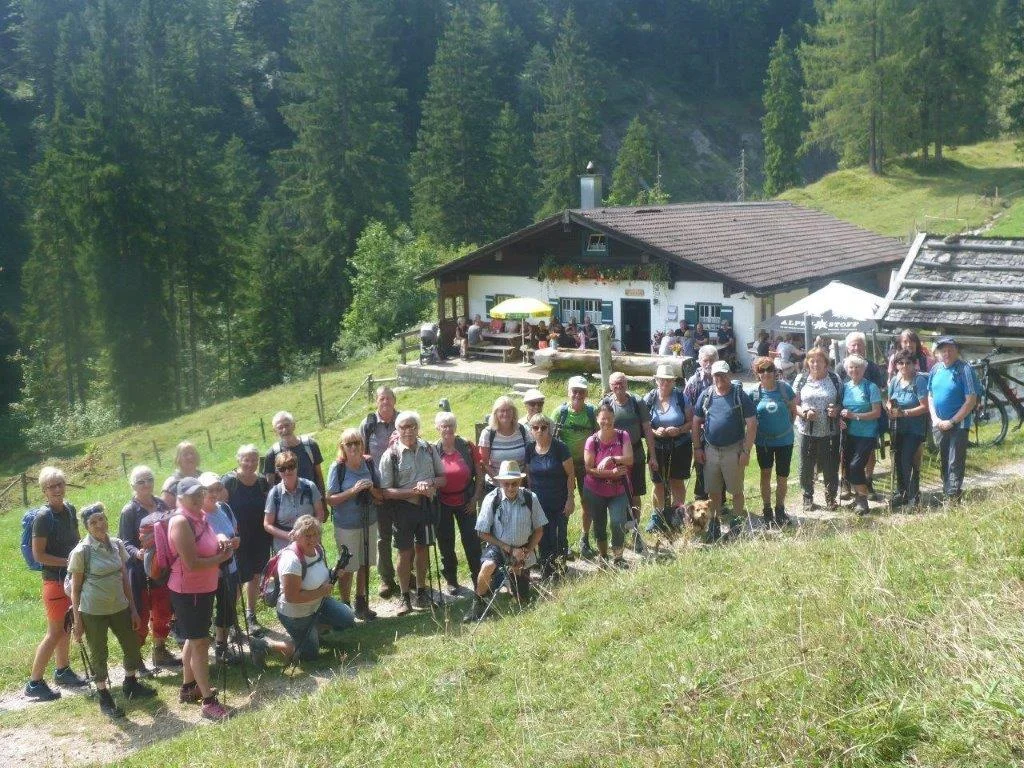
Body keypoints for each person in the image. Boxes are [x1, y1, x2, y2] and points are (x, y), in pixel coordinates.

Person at [68, 503, 157, 717]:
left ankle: (130, 683)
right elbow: (75, 589)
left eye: (102, 519)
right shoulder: (81, 551)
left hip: (120, 606)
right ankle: (104, 696)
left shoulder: (117, 545)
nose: (99, 524)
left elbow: (125, 579)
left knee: (132, 645)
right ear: (87, 527)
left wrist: (134, 609)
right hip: (93, 611)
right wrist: (77, 621)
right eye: (93, 522)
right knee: (99, 654)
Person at [167, 477, 234, 721]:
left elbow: (209, 539)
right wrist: (221, 558)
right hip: (189, 591)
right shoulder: (181, 521)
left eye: (200, 493)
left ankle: (188, 687)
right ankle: (208, 701)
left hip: (203, 588)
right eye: (192, 494)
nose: (197, 497)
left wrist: (220, 540)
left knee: (194, 639)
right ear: (180, 497)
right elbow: (192, 563)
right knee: (200, 643)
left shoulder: (199, 516)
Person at [25, 467, 87, 701]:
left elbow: (76, 539)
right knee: (53, 633)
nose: (57, 489)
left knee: (66, 627)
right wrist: (69, 562)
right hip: (53, 581)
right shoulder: (43, 518)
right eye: (52, 486)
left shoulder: (70, 509)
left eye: (60, 484)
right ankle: (34, 683)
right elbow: (39, 555)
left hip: (70, 579)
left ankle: (63, 671)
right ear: (44, 491)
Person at [379, 411, 447, 615]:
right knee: (404, 552)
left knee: (423, 550)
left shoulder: (429, 449)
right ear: (397, 430)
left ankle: (421, 592)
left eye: (412, 426)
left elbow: (442, 478)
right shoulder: (390, 455)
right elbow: (385, 491)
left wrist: (430, 483)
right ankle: (404, 597)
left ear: (418, 428)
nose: (408, 430)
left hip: (426, 507)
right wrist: (414, 491)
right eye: (403, 427)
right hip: (403, 509)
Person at [463, 461, 547, 623]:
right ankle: (478, 603)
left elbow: (539, 531)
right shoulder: (491, 499)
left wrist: (528, 550)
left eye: (514, 483)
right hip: (498, 546)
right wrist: (507, 548)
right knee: (487, 567)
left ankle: (509, 583)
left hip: (523, 549)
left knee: (521, 601)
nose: (510, 487)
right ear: (500, 482)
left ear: (520, 481)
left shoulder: (531, 498)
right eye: (506, 484)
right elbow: (482, 532)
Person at [118, 465, 179, 670]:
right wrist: (138, 553)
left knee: (163, 611)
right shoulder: (129, 511)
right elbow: (124, 542)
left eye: (149, 479)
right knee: (141, 615)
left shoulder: (162, 504)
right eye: (141, 481)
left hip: (162, 568)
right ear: (133, 485)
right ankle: (136, 660)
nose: (146, 484)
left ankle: (159, 652)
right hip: (138, 571)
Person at [692, 361, 757, 541]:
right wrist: (697, 448)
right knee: (713, 492)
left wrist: (746, 451)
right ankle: (714, 526)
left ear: (729, 375)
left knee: (736, 491)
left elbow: (752, 424)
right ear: (711, 376)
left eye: (723, 374)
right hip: (711, 450)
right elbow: (696, 422)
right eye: (716, 375)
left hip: (733, 451)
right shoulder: (706, 395)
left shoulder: (739, 395)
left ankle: (736, 527)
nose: (719, 378)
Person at [276, 515, 353, 661]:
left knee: (347, 618)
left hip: (317, 604)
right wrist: (321, 592)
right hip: (296, 614)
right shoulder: (292, 561)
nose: (312, 539)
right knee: (309, 655)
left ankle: (312, 633)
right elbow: (291, 597)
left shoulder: (317, 549)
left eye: (315, 535)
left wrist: (333, 572)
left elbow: (318, 575)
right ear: (296, 535)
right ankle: (264, 645)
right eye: (307, 535)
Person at [325, 429, 382, 621]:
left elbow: (380, 496)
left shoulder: (369, 462)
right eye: (349, 444)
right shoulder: (338, 467)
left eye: (357, 443)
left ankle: (361, 602)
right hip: (346, 525)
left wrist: (371, 489)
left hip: (369, 522)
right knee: (347, 567)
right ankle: (345, 606)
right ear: (343, 447)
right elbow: (330, 499)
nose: (354, 447)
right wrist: (353, 490)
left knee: (365, 563)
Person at [222, 445, 271, 632]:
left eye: (254, 459)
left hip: (260, 536)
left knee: (256, 575)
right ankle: (232, 620)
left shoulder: (261, 482)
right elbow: (220, 509)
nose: (250, 463)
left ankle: (251, 616)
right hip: (237, 539)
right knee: (237, 579)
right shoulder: (229, 482)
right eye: (246, 459)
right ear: (238, 460)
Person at [433, 412, 483, 593]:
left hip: (466, 501)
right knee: (446, 543)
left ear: (455, 427)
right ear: (437, 428)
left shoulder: (468, 446)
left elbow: (479, 474)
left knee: (472, 542)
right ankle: (451, 580)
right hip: (442, 504)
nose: (447, 429)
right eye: (443, 425)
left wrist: (475, 498)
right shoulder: (433, 450)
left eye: (450, 425)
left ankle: (478, 577)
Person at [928, 336, 980, 505]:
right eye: (943, 350)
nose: (947, 353)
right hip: (939, 424)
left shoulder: (964, 369)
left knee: (955, 460)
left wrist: (953, 421)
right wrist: (935, 419)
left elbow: (971, 400)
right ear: (938, 353)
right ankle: (947, 491)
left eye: (950, 349)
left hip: (959, 424)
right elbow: (930, 395)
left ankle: (953, 496)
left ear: (957, 350)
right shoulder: (935, 369)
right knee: (944, 460)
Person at [552, 376, 599, 559]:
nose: (578, 395)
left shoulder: (591, 412)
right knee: (564, 504)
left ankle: (585, 539)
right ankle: (562, 544)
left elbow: (598, 436)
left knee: (588, 503)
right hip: (565, 467)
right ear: (568, 392)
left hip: (586, 466)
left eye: (581, 391)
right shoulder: (560, 413)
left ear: (586, 394)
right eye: (574, 391)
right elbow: (553, 440)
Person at [197, 472, 242, 665]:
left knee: (227, 608)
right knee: (205, 611)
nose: (214, 493)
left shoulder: (225, 508)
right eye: (209, 490)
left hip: (229, 568)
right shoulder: (198, 515)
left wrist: (235, 542)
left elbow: (235, 532)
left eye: (218, 488)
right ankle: (200, 654)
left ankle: (221, 646)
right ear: (201, 491)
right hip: (208, 572)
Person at [360, 386, 400, 599]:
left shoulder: (403, 420)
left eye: (389, 398)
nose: (385, 402)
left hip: (402, 487)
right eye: (381, 398)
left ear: (395, 400)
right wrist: (372, 489)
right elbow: (360, 457)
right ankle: (386, 578)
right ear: (376, 401)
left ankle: (407, 573)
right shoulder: (367, 425)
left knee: (406, 533)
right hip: (378, 490)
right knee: (382, 537)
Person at [836, 332, 886, 500]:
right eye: (853, 345)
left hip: (867, 426)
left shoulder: (872, 369)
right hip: (849, 428)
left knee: (864, 457)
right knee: (846, 457)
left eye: (859, 345)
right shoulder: (840, 369)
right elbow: (839, 399)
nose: (856, 348)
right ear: (847, 347)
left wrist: (855, 414)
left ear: (865, 347)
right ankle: (847, 482)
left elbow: (878, 395)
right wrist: (841, 418)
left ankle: (867, 482)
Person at [583, 403, 634, 567]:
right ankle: (603, 556)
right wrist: (610, 473)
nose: (607, 422)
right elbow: (589, 469)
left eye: (610, 419)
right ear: (597, 419)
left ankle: (618, 557)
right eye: (603, 419)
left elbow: (630, 459)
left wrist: (611, 459)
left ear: (614, 419)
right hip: (595, 490)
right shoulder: (592, 441)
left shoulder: (622, 436)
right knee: (599, 524)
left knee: (617, 521)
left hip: (619, 489)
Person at [793, 348, 843, 512]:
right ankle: (807, 497)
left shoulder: (835, 379)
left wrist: (836, 409)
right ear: (807, 362)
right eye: (812, 360)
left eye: (819, 361)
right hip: (807, 430)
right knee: (806, 466)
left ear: (826, 364)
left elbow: (843, 403)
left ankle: (830, 498)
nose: (815, 364)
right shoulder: (801, 379)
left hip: (830, 431)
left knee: (830, 466)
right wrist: (805, 413)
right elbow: (793, 405)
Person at [524, 414, 574, 578]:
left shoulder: (560, 448)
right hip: (539, 503)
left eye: (543, 427)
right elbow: (528, 475)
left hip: (559, 501)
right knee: (542, 536)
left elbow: (570, 475)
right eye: (535, 428)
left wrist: (570, 499)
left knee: (559, 535)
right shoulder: (529, 449)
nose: (540, 431)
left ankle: (560, 568)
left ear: (549, 429)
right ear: (531, 431)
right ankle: (546, 568)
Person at [644, 364, 692, 532]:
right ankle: (657, 516)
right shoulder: (649, 398)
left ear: (673, 382)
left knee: (676, 482)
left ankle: (676, 516)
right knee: (658, 483)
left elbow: (691, 422)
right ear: (656, 380)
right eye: (661, 380)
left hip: (680, 445)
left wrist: (678, 430)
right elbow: (643, 425)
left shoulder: (681, 397)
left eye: (668, 380)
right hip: (656, 446)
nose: (664, 383)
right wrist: (655, 431)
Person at [601, 372, 658, 512]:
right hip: (614, 455)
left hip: (636, 453)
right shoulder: (606, 404)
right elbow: (601, 431)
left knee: (635, 493)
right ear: (610, 386)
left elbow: (647, 428)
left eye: (622, 383)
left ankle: (635, 528)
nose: (619, 386)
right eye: (615, 384)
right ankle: (620, 522)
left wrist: (653, 455)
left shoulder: (637, 402)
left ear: (627, 384)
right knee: (615, 491)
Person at [751, 357, 796, 526]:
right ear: (757, 374)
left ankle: (780, 510)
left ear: (775, 371)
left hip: (785, 441)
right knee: (765, 475)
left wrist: (783, 429)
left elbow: (793, 412)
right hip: (763, 442)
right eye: (762, 370)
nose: (766, 373)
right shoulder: (753, 393)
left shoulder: (785, 389)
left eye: (770, 369)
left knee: (782, 477)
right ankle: (767, 510)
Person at [839, 354, 883, 515]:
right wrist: (841, 418)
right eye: (851, 367)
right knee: (848, 468)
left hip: (867, 434)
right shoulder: (845, 387)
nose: (854, 370)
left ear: (864, 369)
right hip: (849, 433)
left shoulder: (871, 387)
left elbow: (877, 412)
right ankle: (859, 499)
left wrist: (855, 416)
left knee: (856, 466)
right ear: (847, 370)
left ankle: (863, 501)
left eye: (857, 367)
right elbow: (841, 409)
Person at [887, 349, 930, 507]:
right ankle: (902, 493)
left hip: (915, 429)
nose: (904, 366)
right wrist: (890, 410)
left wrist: (904, 413)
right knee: (897, 460)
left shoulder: (918, 381)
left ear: (914, 364)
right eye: (900, 363)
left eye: (908, 363)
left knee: (907, 459)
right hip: (898, 428)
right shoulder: (895, 381)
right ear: (896, 365)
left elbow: (925, 407)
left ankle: (913, 494)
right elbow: (889, 401)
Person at [265, 451, 325, 553]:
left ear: (297, 467)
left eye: (291, 466)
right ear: (277, 471)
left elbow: (320, 515)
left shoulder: (310, 487)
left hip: (310, 544)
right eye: (282, 469)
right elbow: (267, 524)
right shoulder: (274, 493)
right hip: (285, 547)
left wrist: (306, 531)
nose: (287, 471)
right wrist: (288, 535)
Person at [684, 345, 719, 501]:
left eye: (712, 360)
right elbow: (688, 408)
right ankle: (700, 497)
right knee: (700, 462)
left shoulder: (721, 377)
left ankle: (720, 498)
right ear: (699, 361)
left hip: (718, 431)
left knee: (718, 464)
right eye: (705, 360)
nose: (708, 364)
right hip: (699, 430)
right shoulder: (693, 382)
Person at [264, 411, 325, 496]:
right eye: (280, 427)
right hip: (287, 504)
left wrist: (323, 502)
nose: (284, 430)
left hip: (312, 500)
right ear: (275, 431)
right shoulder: (272, 454)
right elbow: (270, 486)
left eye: (287, 425)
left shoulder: (310, 445)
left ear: (294, 425)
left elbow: (319, 476)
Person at [478, 396, 529, 494]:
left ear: (513, 412)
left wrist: (520, 481)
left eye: (508, 410)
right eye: (502, 411)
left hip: (520, 485)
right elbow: (484, 463)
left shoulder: (522, 430)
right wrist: (501, 482)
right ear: (495, 413)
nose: (505, 414)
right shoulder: (488, 433)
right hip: (496, 487)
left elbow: (529, 458)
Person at [160, 441, 202, 506]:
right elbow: (165, 509)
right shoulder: (171, 483)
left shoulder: (202, 476)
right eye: (185, 454)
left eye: (192, 453)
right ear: (178, 459)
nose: (190, 457)